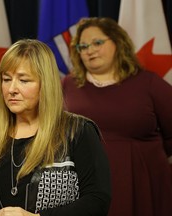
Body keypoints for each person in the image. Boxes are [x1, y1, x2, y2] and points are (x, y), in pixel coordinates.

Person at [0, 39, 111, 216]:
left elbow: (97, 200)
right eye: (6, 79)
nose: (11, 89)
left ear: (45, 84)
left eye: (23, 80)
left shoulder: (77, 131)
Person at [62, 17, 172, 216]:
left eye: (97, 42)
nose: (89, 50)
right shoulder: (67, 85)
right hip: (84, 183)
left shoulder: (148, 83)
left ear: (118, 42)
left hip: (143, 182)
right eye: (83, 45)